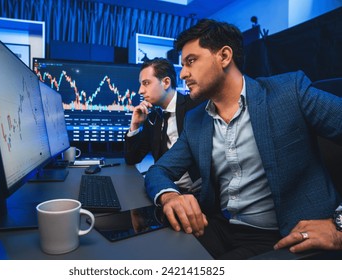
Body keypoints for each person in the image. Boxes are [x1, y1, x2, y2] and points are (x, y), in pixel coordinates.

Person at [145, 19, 342, 259]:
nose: (183, 73)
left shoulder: (290, 92)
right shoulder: (197, 120)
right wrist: (170, 196)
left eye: (191, 61)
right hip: (220, 227)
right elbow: (158, 171)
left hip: (284, 237)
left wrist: (339, 224)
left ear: (224, 56)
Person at [125, 57, 203, 193]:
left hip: (197, 192)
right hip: (164, 187)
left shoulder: (195, 107)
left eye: (146, 83)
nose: (140, 91)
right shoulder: (153, 117)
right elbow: (132, 158)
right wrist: (135, 125)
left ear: (166, 82)